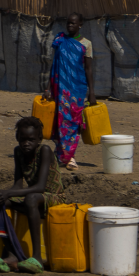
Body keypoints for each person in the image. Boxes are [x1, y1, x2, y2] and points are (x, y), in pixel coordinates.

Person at [0, 114, 54, 272]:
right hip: (34, 196)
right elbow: (18, 184)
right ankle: (11, 252)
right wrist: (4, 194)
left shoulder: (44, 151)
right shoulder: (18, 152)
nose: (26, 144)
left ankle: (37, 257)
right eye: (23, 139)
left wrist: (10, 194)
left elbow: (40, 187)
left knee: (31, 199)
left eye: (31, 140)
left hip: (52, 195)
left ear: (39, 139)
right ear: (18, 138)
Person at [46, 13, 92, 167]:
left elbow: (89, 69)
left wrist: (91, 92)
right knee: (59, 120)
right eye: (68, 23)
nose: (69, 26)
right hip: (60, 88)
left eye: (73, 23)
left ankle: (70, 155)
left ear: (80, 24)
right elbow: (54, 65)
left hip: (77, 88)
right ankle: (60, 154)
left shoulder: (86, 44)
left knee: (74, 121)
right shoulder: (60, 41)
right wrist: (48, 88)